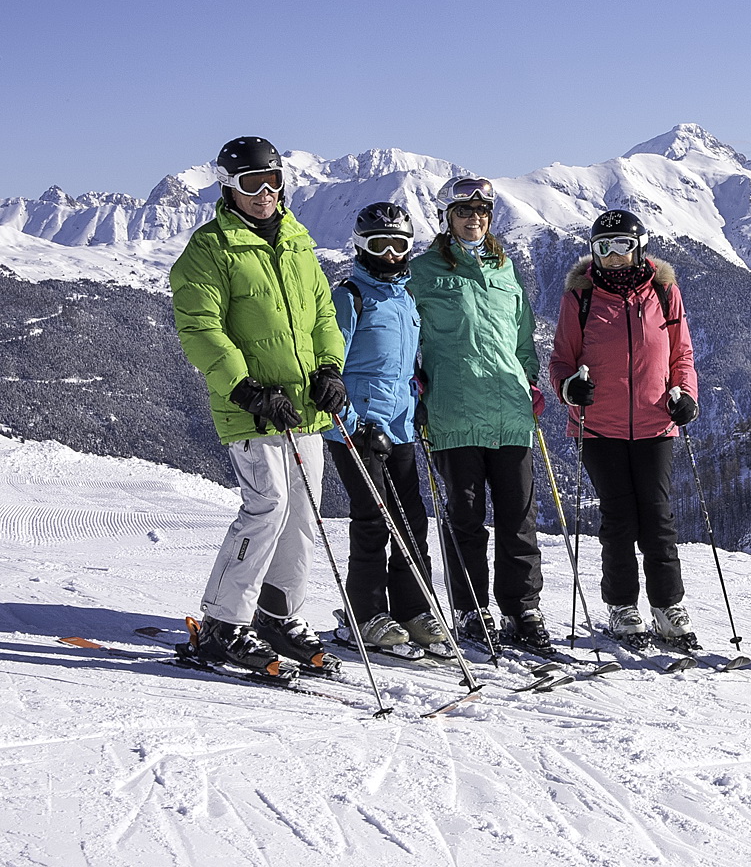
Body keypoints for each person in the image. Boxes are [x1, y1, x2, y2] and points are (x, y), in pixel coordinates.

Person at [163, 136, 345, 677]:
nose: (265, 193)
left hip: (303, 408)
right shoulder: (209, 249)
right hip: (251, 409)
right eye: (251, 183)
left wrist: (330, 370)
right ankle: (222, 624)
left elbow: (323, 317)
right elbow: (199, 329)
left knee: (304, 515)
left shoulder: (297, 239)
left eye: (273, 180)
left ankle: (277, 614)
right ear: (229, 186)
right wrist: (243, 389)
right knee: (265, 509)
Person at [410, 175, 551, 654]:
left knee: (519, 518)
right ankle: (471, 608)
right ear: (447, 218)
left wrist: (530, 382)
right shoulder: (423, 271)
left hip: (510, 411)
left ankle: (522, 610)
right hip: (453, 411)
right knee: (466, 518)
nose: (475, 219)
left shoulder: (504, 269)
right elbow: (408, 335)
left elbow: (522, 336)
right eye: (465, 212)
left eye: (483, 212)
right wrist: (415, 381)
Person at [550, 208, 702, 652]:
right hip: (598, 425)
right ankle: (622, 605)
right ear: (593, 253)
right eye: (604, 248)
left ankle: (668, 605)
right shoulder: (579, 298)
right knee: (619, 519)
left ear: (640, 247)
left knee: (658, 518)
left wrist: (685, 394)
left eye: (623, 247)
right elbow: (561, 359)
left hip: (657, 422)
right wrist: (569, 387)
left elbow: (682, 354)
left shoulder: (663, 290)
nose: (614, 257)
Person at [324, 201, 452, 660]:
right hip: (357, 430)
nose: (392, 253)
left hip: (399, 427)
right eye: (381, 244)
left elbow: (400, 367)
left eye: (400, 244)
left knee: (412, 520)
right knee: (373, 519)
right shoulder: (350, 296)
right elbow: (330, 371)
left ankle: (415, 609)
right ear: (362, 246)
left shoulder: (404, 298)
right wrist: (358, 426)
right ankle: (365, 614)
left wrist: (418, 394)